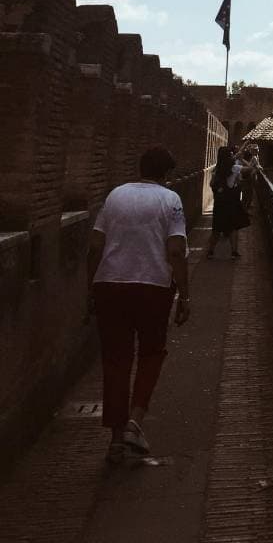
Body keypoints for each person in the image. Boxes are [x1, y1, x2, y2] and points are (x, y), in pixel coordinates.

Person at [87, 146, 190, 465]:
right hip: (152, 287)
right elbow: (176, 250)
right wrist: (184, 295)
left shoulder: (115, 195)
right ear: (167, 174)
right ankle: (135, 421)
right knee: (151, 354)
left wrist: (90, 288)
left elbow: (95, 246)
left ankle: (117, 439)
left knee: (115, 360)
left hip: (109, 286)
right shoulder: (170, 200)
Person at [206, 145, 250, 259]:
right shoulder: (234, 168)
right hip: (231, 201)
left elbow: (211, 184)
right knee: (233, 228)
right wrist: (243, 159)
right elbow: (249, 168)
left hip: (219, 202)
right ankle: (234, 253)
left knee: (216, 229)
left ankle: (210, 252)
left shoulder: (217, 168)